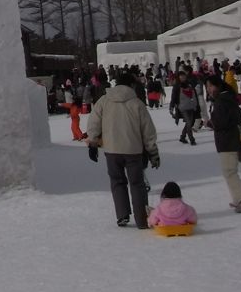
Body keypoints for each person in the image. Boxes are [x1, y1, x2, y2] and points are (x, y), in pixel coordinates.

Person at [84, 70, 160, 229]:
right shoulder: (137, 103)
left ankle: (122, 215)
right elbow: (148, 131)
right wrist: (153, 153)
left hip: (112, 150)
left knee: (117, 182)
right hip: (133, 150)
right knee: (137, 183)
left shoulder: (104, 101)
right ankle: (142, 219)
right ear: (131, 85)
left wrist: (92, 143)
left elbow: (93, 123)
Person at [204, 75, 241, 212]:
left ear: (218, 86)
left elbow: (222, 122)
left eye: (210, 86)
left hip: (227, 141)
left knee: (229, 171)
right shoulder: (228, 98)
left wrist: (210, 122)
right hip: (231, 140)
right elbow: (239, 117)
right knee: (230, 171)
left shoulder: (221, 101)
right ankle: (239, 198)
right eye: (207, 87)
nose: (208, 89)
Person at [170, 70, 203, 145]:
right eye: (181, 76)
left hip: (191, 106)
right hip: (182, 107)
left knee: (190, 123)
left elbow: (194, 95)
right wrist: (171, 107)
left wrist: (197, 105)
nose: (183, 78)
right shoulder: (177, 86)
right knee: (189, 122)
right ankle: (192, 139)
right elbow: (173, 97)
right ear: (178, 77)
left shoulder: (190, 84)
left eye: (184, 76)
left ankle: (182, 137)